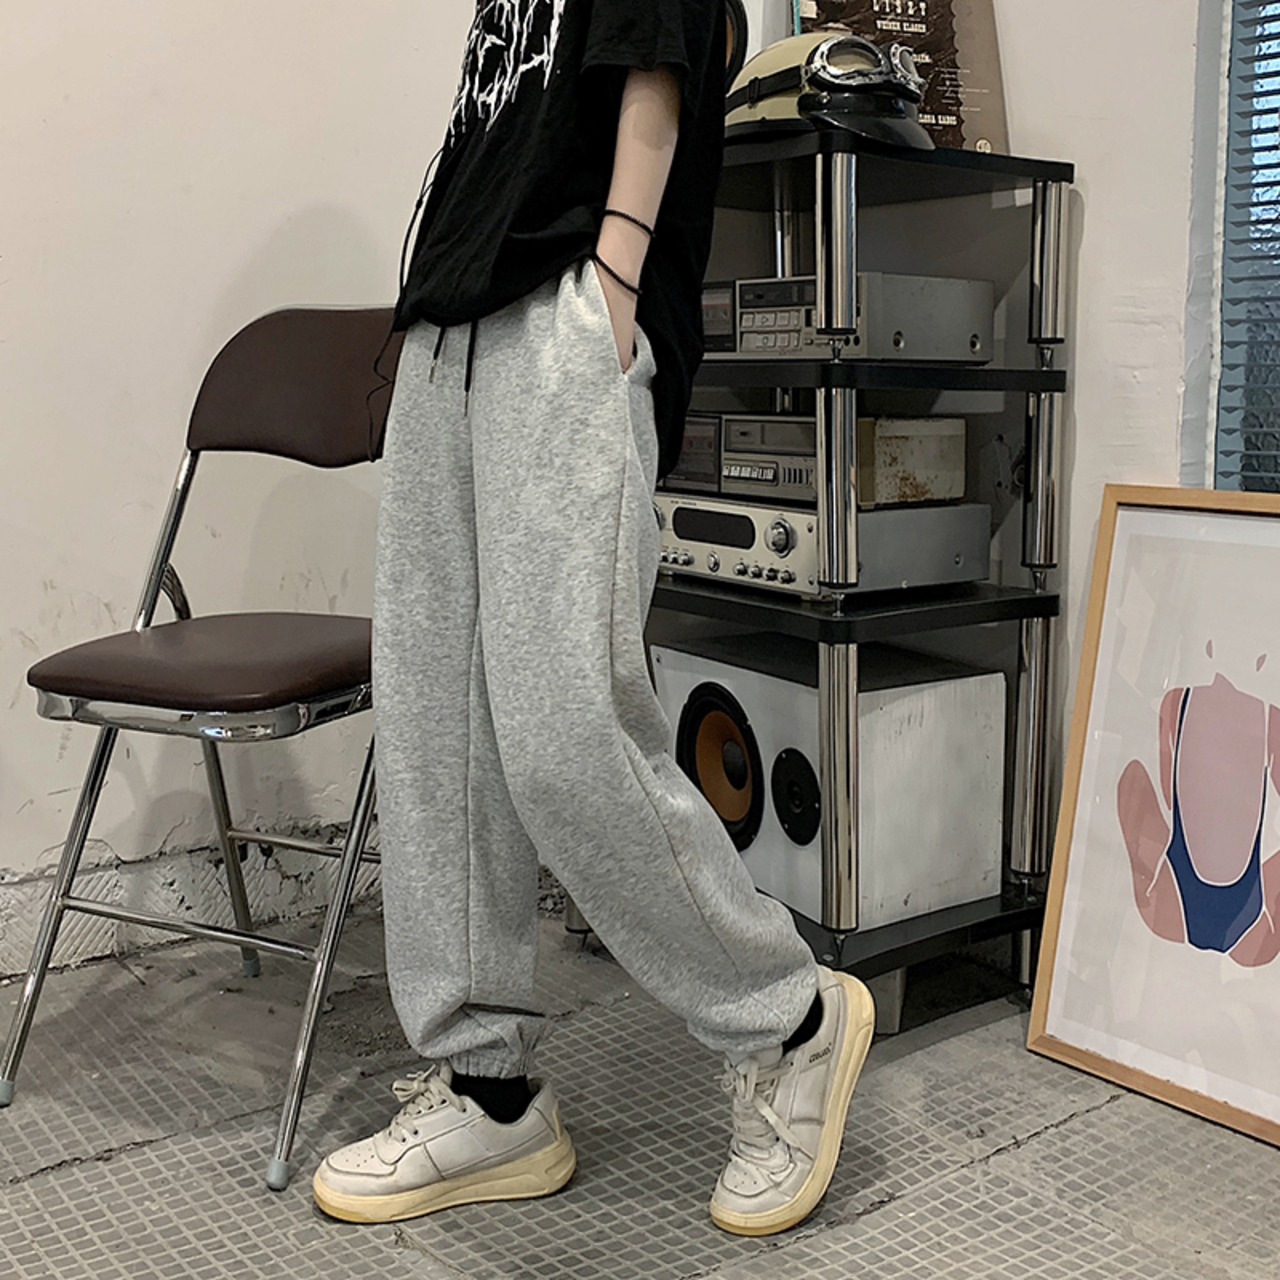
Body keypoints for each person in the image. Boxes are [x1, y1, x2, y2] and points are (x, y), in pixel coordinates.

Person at [312, 0, 876, 1237]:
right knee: (438, 734)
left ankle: (785, 1018)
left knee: (566, 731)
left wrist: (613, 274)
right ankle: (489, 1087)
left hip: (562, 304)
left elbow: (658, 58)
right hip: (448, 322)